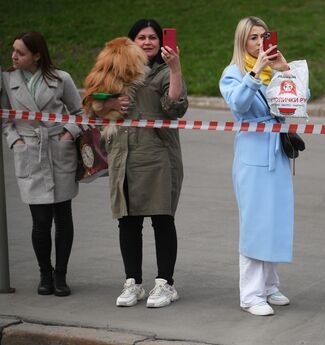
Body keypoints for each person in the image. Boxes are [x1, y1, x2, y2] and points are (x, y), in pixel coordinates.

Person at [90, 19, 188, 308]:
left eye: (153, 38)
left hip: (157, 156)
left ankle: (165, 284)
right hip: (123, 155)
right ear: (131, 41)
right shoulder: (114, 68)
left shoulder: (163, 71)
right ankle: (132, 282)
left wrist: (175, 69)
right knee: (128, 222)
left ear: (161, 42)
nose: (147, 42)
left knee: (162, 219)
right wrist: (108, 105)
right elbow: (91, 103)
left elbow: (176, 108)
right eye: (141, 37)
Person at [219, 16, 294, 316]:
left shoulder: (273, 72)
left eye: (263, 36)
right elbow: (237, 104)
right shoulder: (233, 73)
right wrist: (255, 71)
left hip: (278, 152)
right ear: (242, 42)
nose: (260, 42)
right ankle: (250, 294)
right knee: (254, 223)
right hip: (252, 153)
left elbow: (299, 102)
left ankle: (269, 285)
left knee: (276, 218)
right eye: (253, 37)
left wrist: (285, 71)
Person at [1, 31, 83, 297]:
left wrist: (70, 132)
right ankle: (44, 274)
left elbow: (80, 112)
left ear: (36, 55)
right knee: (40, 221)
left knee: (63, 217)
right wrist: (16, 142)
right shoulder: (6, 80)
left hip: (59, 151)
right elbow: (4, 119)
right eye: (13, 50)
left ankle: (61, 275)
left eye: (20, 52)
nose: (13, 56)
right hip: (30, 152)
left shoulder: (61, 78)